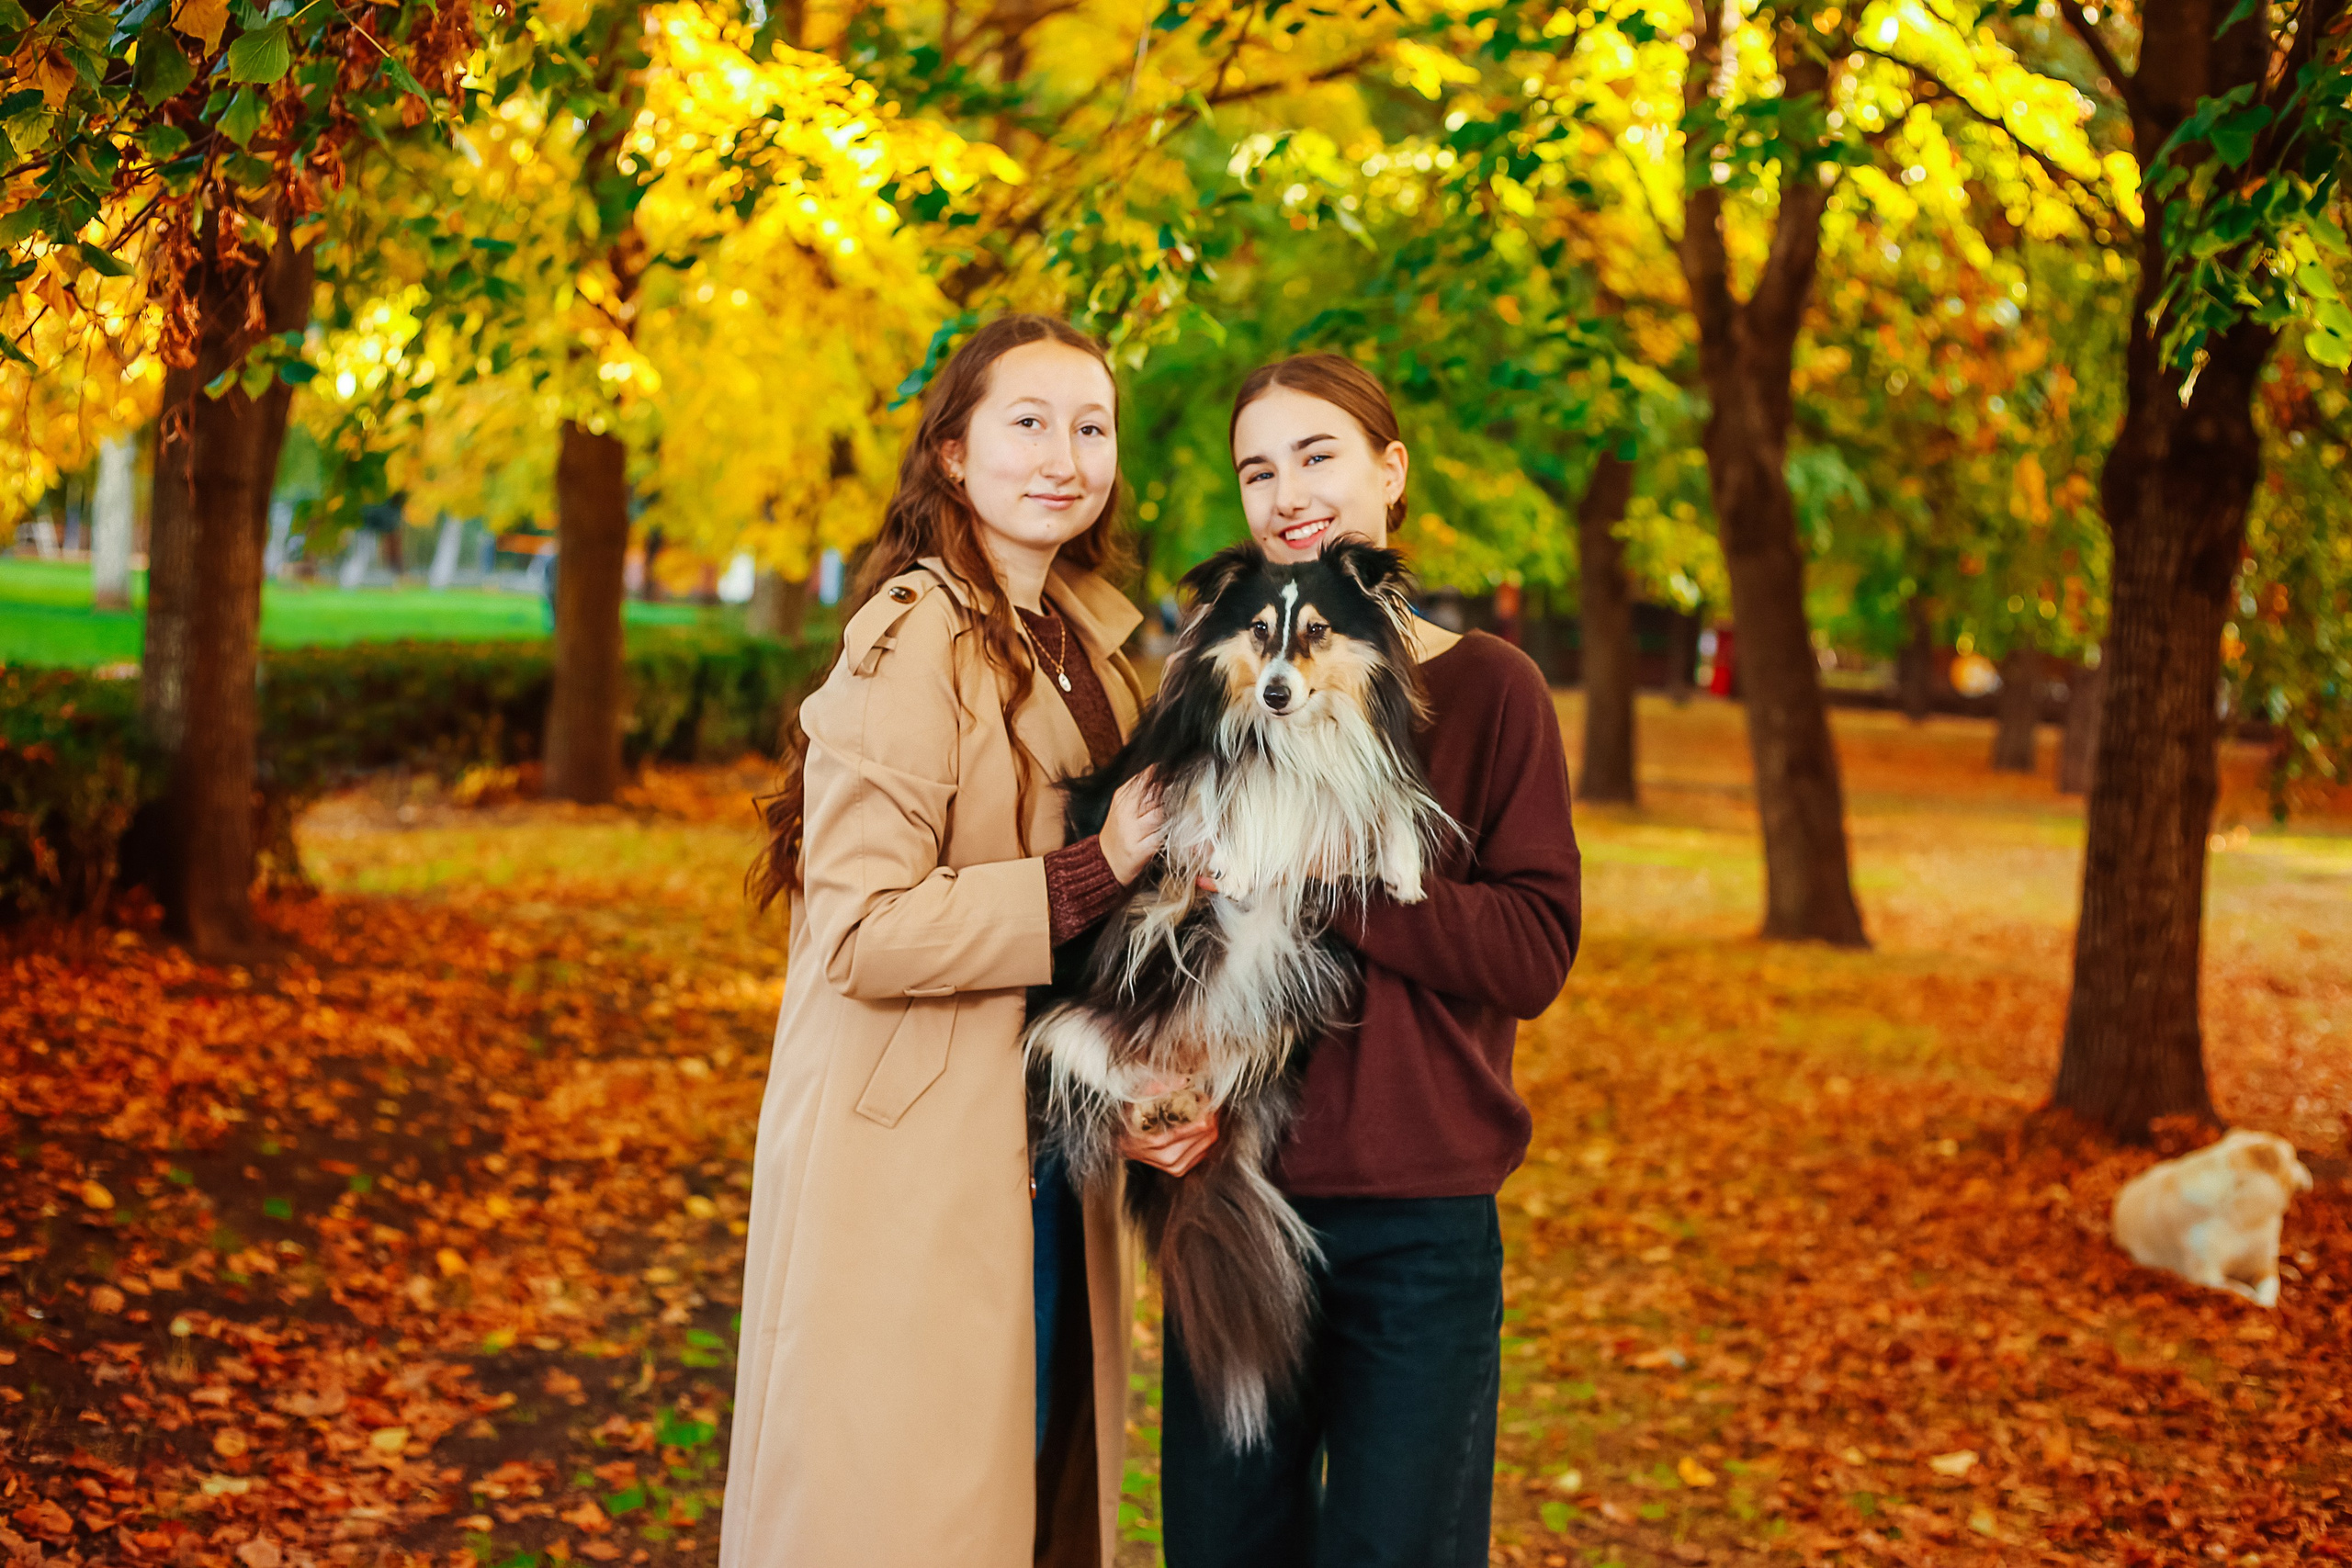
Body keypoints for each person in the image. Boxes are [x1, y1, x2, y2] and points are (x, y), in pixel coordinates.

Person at [720, 313, 1207, 1568]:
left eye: (1090, 428)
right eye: (1028, 423)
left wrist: (1151, 1066)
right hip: (920, 1151)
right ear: (952, 452)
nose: (1065, 455)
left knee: (1027, 1495)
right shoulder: (913, 635)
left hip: (1047, 1137)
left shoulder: (1091, 643)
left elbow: (1109, 920)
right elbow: (866, 932)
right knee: (911, 1510)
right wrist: (1103, 863)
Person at [1157, 354, 1584, 1568]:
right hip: (1238, 1206)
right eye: (1257, 469)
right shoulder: (1229, 692)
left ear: (1390, 472)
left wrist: (1336, 881)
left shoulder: (1491, 691)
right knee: (1224, 1548)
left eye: (1318, 455)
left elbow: (1534, 948)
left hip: (1419, 1225)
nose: (1287, 491)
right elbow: (1174, 941)